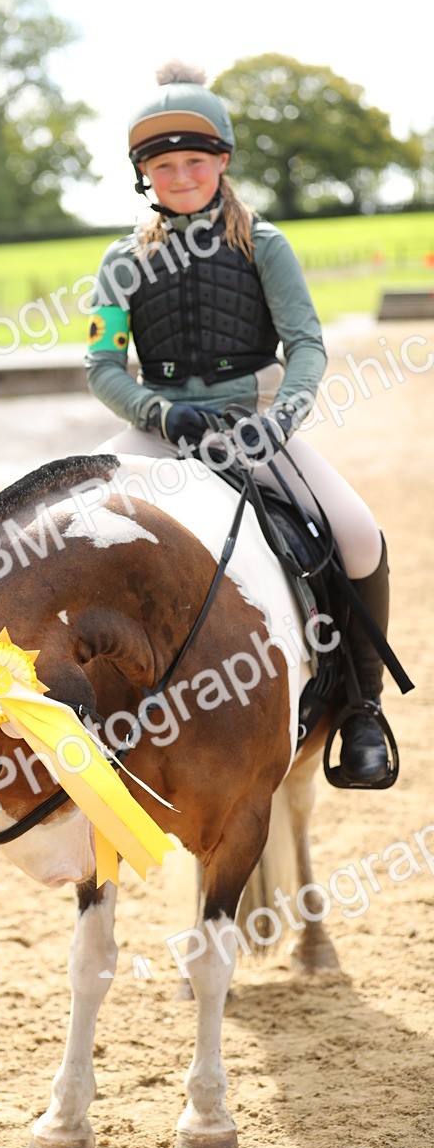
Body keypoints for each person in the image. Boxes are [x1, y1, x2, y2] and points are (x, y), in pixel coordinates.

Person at [85, 60, 393, 788]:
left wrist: (281, 417)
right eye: (165, 166)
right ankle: (80, 712)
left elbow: (307, 345)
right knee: (74, 528)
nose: (182, 176)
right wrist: (159, 412)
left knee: (356, 536)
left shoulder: (267, 244)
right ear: (144, 177)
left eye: (195, 161)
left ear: (222, 162)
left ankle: (362, 710)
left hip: (254, 426)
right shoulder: (119, 260)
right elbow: (102, 365)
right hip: (157, 427)